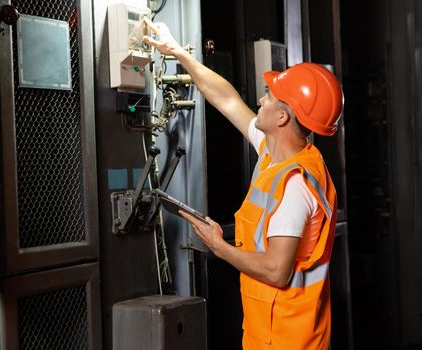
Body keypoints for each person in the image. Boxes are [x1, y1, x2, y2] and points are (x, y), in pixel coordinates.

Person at [144, 21, 343, 350]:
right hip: (269, 334)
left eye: (269, 96)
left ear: (282, 118)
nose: (261, 101)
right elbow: (226, 100)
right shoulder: (276, 153)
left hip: (286, 341)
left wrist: (218, 247)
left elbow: (277, 271)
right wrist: (179, 52)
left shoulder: (295, 185)